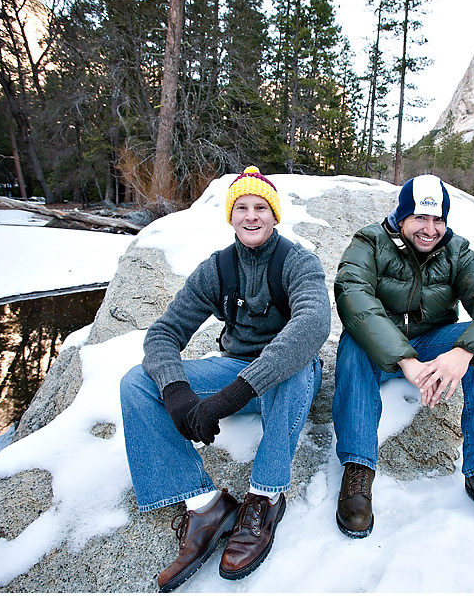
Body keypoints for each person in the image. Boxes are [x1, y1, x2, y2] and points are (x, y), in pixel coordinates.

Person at [119, 166, 330, 591]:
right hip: (234, 369)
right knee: (136, 383)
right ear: (231, 217)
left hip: (289, 376)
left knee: (290, 366)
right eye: (242, 208)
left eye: (261, 208)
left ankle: (264, 498)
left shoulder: (298, 262)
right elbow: (164, 333)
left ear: (274, 215)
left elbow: (312, 324)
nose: (251, 217)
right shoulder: (216, 269)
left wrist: (231, 397)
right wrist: (178, 393)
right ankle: (205, 505)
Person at [331, 174, 474, 539]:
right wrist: (406, 361)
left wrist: (463, 352)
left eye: (438, 220)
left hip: (433, 341)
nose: (429, 229)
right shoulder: (369, 242)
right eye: (420, 217)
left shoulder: (458, 251)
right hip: (381, 347)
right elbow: (353, 296)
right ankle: (358, 469)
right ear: (402, 217)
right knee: (355, 340)